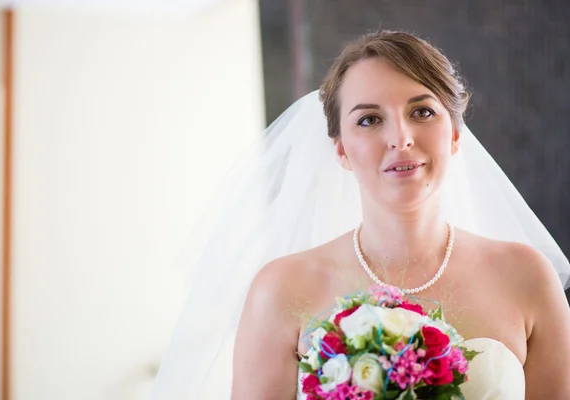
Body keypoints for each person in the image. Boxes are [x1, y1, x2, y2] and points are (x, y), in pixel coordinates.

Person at [150, 31, 570, 399]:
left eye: (422, 111)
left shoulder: (527, 278)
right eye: (369, 120)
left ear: (455, 134)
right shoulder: (280, 290)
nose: (400, 138)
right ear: (341, 150)